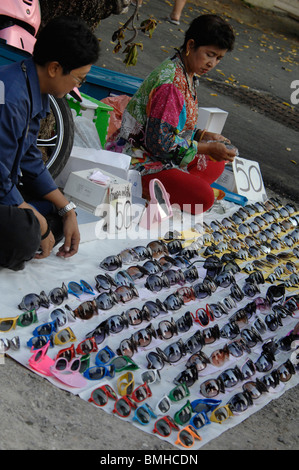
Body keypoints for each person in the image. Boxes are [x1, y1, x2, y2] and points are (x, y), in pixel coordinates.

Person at [106, 14, 236, 215]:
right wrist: (206, 147)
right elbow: (160, 144)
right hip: (139, 159)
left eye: (218, 58)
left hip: (163, 151)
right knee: (204, 198)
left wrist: (202, 136)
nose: (212, 63)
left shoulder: (187, 71)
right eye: (209, 54)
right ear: (191, 45)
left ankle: (180, 186)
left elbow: (172, 125)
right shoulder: (171, 84)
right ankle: (170, 189)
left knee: (216, 163)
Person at [0, 16, 100, 271]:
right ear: (55, 68)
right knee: (23, 235)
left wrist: (67, 209)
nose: (78, 85)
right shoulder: (10, 97)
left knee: (57, 211)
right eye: (79, 78)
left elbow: (29, 158)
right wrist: (39, 225)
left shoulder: (31, 86)